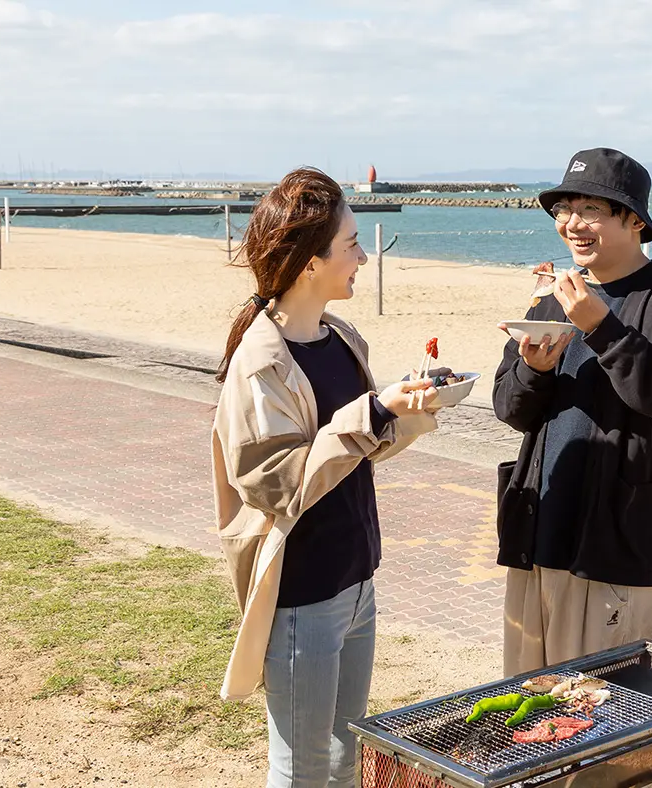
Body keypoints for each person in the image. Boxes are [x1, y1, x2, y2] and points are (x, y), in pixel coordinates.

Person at [210, 166, 439, 786]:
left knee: (344, 754)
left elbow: (354, 452)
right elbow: (277, 484)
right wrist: (373, 412)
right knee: (303, 765)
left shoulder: (341, 338)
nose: (364, 256)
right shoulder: (261, 363)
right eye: (352, 245)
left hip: (356, 578)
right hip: (302, 592)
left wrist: (408, 413)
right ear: (311, 262)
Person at [493, 148, 652, 676]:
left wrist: (605, 329)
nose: (572, 223)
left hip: (617, 545)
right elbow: (510, 407)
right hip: (539, 532)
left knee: (601, 715)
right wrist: (534, 369)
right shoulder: (554, 297)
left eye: (591, 209)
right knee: (530, 707)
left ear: (636, 220)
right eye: (564, 209)